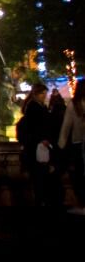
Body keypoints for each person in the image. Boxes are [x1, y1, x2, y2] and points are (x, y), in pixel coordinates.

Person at [17, 83, 62, 207]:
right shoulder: (33, 106)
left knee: (41, 173)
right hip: (37, 145)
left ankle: (42, 199)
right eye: (42, 93)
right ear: (36, 94)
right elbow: (34, 126)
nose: (45, 96)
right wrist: (42, 138)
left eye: (45, 93)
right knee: (39, 173)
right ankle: (41, 200)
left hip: (39, 144)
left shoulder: (38, 105)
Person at [59, 79, 85, 214]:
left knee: (79, 175)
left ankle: (82, 203)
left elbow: (66, 127)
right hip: (79, 143)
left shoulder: (73, 105)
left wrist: (61, 145)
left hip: (77, 143)